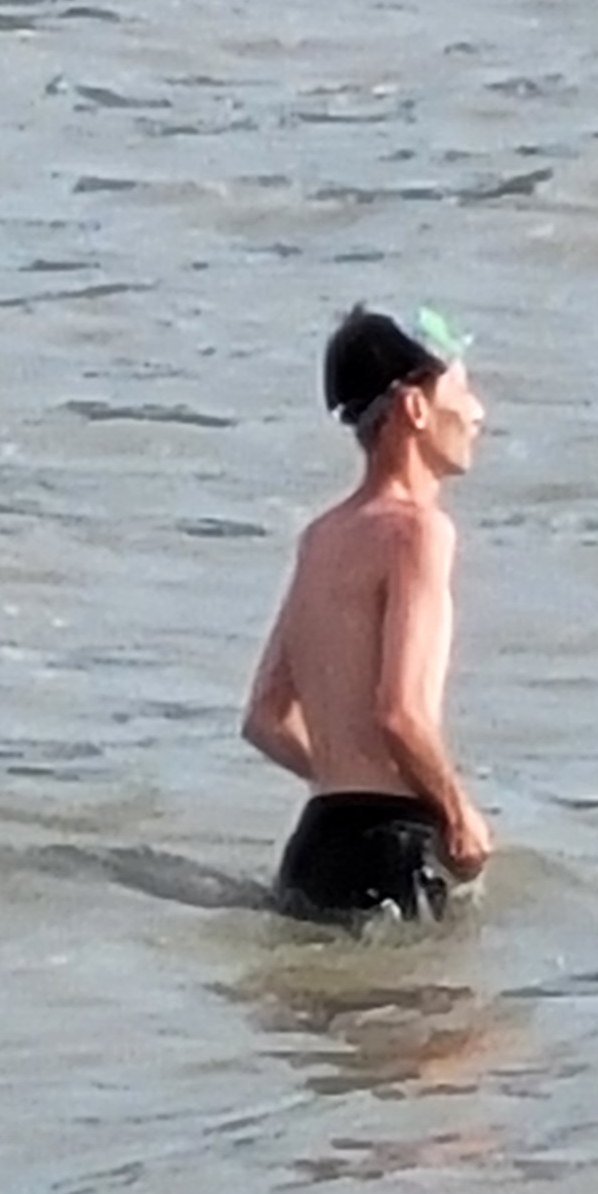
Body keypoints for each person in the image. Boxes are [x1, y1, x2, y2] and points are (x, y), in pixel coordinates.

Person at [240, 307, 492, 926]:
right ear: (415, 408)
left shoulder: (321, 537)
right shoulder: (419, 533)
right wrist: (458, 814)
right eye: (461, 390)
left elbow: (265, 718)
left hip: (314, 846)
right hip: (391, 850)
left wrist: (344, 777)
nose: (477, 412)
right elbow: (400, 713)